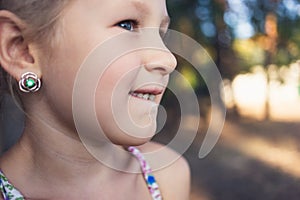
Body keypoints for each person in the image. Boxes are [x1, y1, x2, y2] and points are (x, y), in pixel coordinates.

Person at [0, 0, 190, 199]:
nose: (168, 59)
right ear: (22, 50)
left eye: (161, 34)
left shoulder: (168, 176)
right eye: (127, 24)